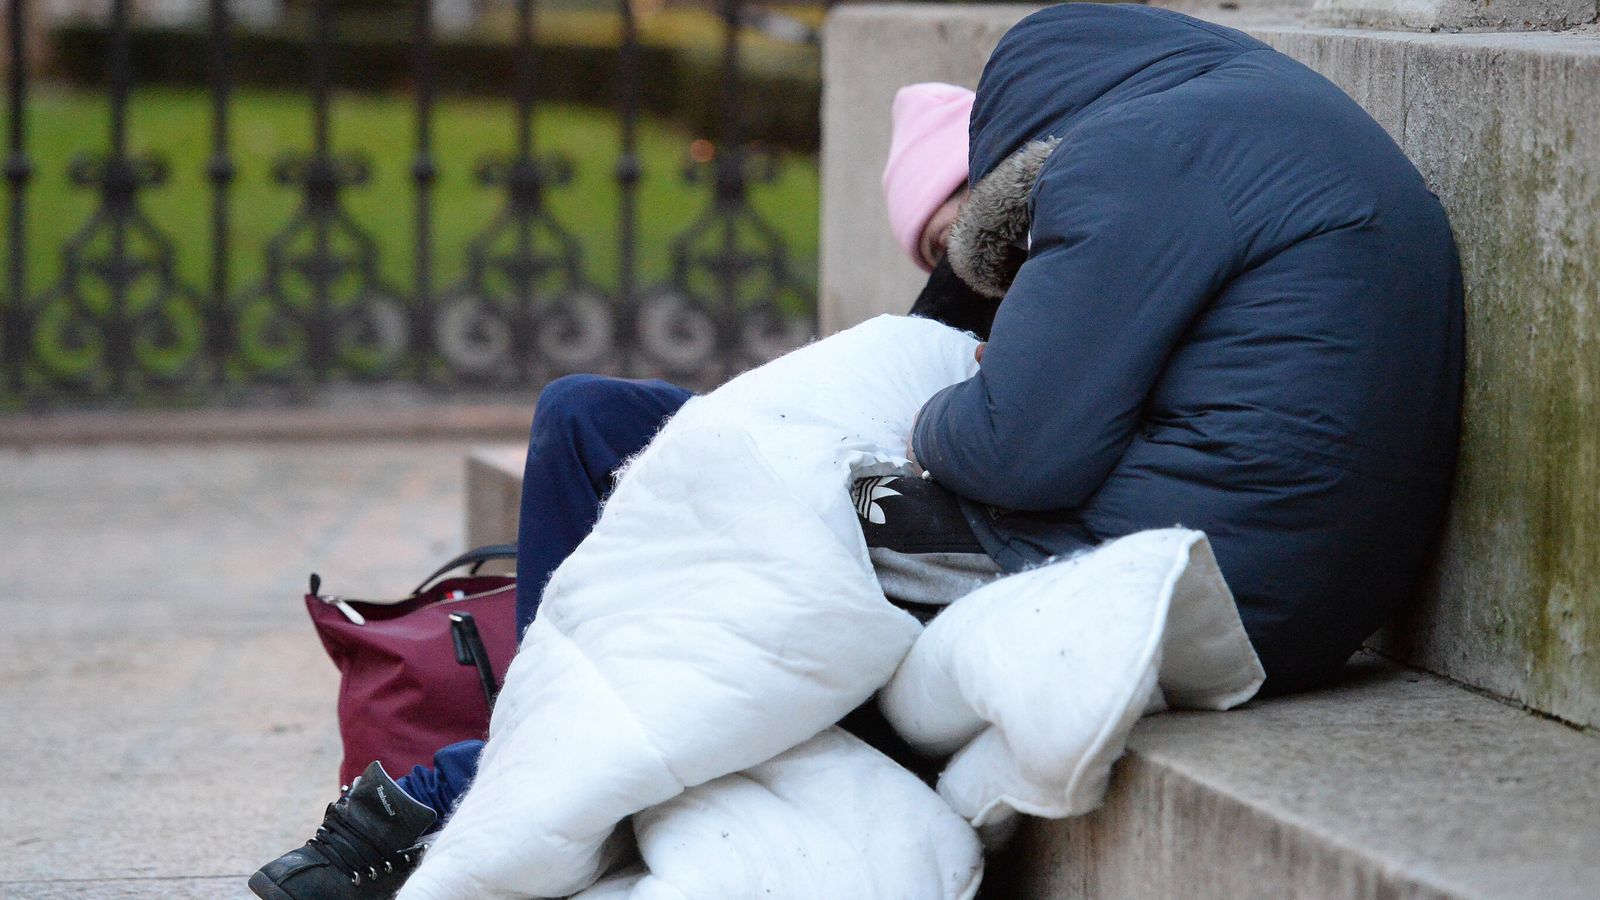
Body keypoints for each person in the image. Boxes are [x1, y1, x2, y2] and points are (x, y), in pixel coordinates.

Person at [250, 83, 994, 900]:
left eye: (960, 212)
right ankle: (534, 733)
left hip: (896, 542)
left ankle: (490, 776)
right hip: (843, 484)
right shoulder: (986, 286)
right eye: (932, 249)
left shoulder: (1063, 249)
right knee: (581, 413)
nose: (952, 252)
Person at [911, 4, 1463, 696]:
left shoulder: (1130, 153)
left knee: (816, 518)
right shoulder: (1261, 114)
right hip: (1315, 608)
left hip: (1198, 577)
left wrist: (926, 423)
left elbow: (1015, 452)